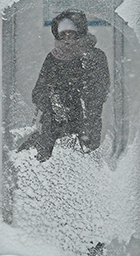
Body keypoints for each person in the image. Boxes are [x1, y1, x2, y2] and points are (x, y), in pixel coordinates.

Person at [21, 9, 110, 161]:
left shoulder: (94, 57)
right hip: (55, 128)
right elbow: (38, 92)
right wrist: (52, 102)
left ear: (80, 32)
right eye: (63, 34)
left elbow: (99, 91)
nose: (67, 38)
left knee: (82, 166)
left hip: (85, 125)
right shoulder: (53, 58)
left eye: (72, 33)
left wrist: (74, 100)